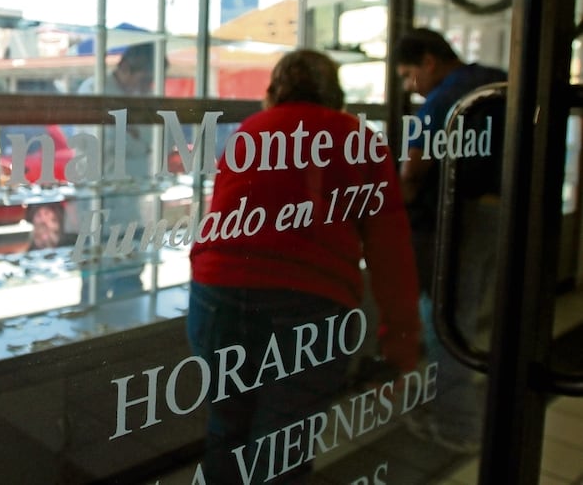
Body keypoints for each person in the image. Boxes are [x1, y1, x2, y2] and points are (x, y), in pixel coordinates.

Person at [188, 50, 421, 484]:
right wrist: (401, 343)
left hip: (217, 293)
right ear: (337, 95)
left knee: (226, 431)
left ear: (273, 92)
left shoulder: (249, 132)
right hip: (311, 301)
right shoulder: (359, 140)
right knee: (284, 446)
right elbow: (391, 253)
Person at [394, 28, 507, 452]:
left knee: (444, 318)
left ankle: (458, 423)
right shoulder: (498, 79)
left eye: (409, 75)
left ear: (428, 61)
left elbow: (413, 169)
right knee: (463, 310)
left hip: (462, 218)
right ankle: (452, 408)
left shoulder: (445, 99)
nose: (411, 87)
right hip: (503, 214)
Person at [77, 42, 164, 300]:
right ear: (126, 68)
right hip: (100, 197)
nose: (149, 86)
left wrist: (135, 137)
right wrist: (136, 139)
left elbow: (156, 140)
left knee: (131, 276)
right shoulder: (95, 90)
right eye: (146, 78)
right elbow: (107, 142)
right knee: (97, 281)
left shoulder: (142, 97)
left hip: (133, 197)